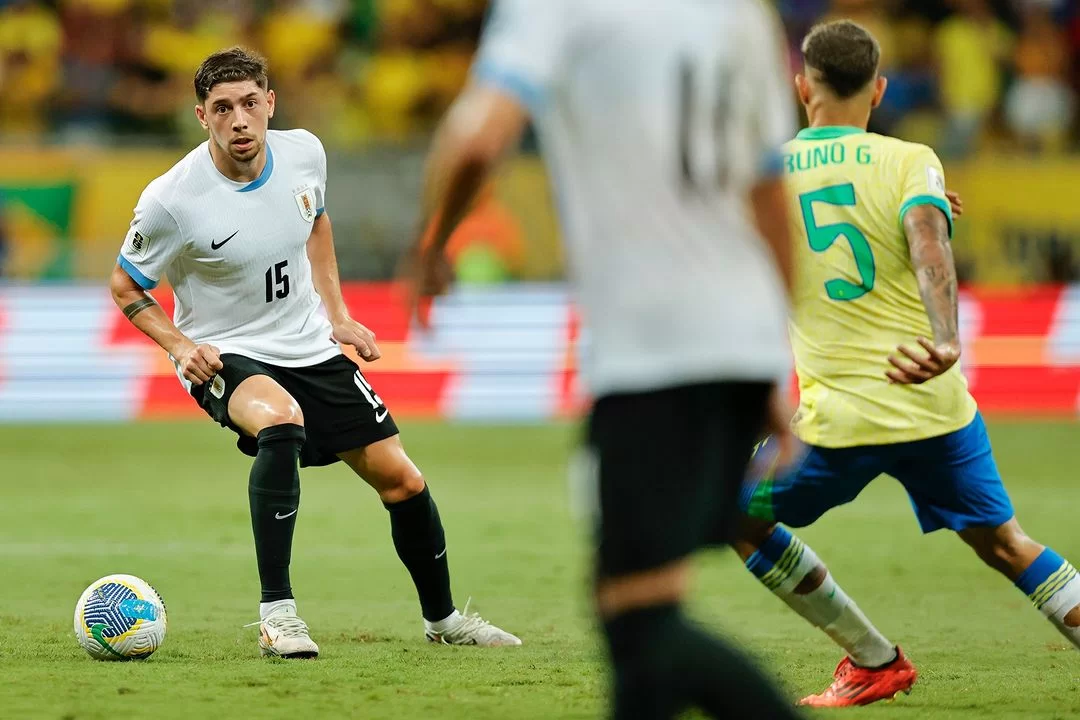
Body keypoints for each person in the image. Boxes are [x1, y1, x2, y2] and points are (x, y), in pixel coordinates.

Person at [410, 1, 804, 718]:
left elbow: (477, 140)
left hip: (655, 348)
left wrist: (433, 243)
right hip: (738, 334)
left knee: (638, 621)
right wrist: (775, 351)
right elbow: (769, 190)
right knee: (641, 620)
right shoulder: (744, 14)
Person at [107, 47, 520, 659]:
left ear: (270, 103)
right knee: (281, 421)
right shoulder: (172, 199)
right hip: (225, 355)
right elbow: (125, 285)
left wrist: (339, 316)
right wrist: (180, 345)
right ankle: (279, 616)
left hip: (308, 345)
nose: (240, 121)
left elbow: (317, 223)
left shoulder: (305, 153)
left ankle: (444, 620)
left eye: (250, 104)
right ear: (202, 117)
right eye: (223, 109)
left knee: (403, 481)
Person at [733, 20, 1080, 708]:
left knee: (728, 509)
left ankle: (872, 659)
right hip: (936, 404)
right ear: (880, 89)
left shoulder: (767, 171)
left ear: (802, 87)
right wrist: (946, 339)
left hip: (841, 423)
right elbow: (926, 239)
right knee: (1009, 545)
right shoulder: (911, 159)